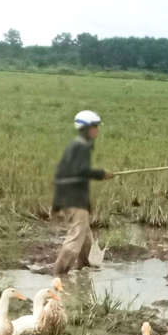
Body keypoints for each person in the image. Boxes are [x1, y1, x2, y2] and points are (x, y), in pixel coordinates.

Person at [50, 110, 116, 275]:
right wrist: (102, 173)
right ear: (86, 128)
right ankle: (59, 275)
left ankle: (84, 272)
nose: (97, 130)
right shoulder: (80, 146)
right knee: (75, 239)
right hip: (74, 199)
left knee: (86, 240)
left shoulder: (79, 145)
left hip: (73, 197)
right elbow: (80, 171)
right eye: (95, 126)